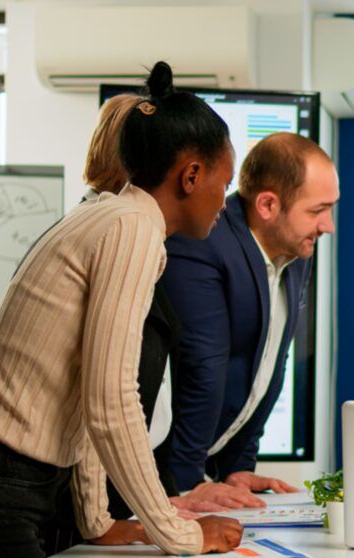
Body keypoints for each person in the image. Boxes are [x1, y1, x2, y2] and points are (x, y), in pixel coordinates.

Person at [0, 62, 243, 558]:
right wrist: (180, 532)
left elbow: (86, 397)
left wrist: (96, 520)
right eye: (224, 181)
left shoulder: (112, 215)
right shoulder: (130, 230)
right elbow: (111, 400)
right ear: (191, 175)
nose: (224, 202)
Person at [77, 94, 270, 525]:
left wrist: (171, 493)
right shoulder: (122, 234)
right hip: (80, 490)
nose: (224, 200)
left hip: (124, 487)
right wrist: (168, 522)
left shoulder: (140, 240)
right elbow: (107, 403)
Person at [160, 132, 338, 493]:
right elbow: (202, 368)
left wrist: (236, 467)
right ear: (268, 205)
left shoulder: (296, 250)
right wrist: (187, 481)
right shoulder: (203, 242)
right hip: (156, 476)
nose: (328, 226)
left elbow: (268, 361)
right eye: (318, 210)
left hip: (208, 466)